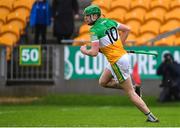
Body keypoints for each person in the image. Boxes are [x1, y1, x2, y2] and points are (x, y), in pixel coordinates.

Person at [80, 5, 159, 122]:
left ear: (95, 16)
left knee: (130, 93)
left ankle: (150, 116)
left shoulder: (94, 30)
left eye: (87, 16)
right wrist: (119, 46)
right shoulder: (109, 21)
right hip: (119, 58)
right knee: (103, 82)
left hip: (117, 61)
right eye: (85, 16)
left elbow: (94, 52)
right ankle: (133, 87)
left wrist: (84, 50)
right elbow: (127, 29)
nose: (85, 19)